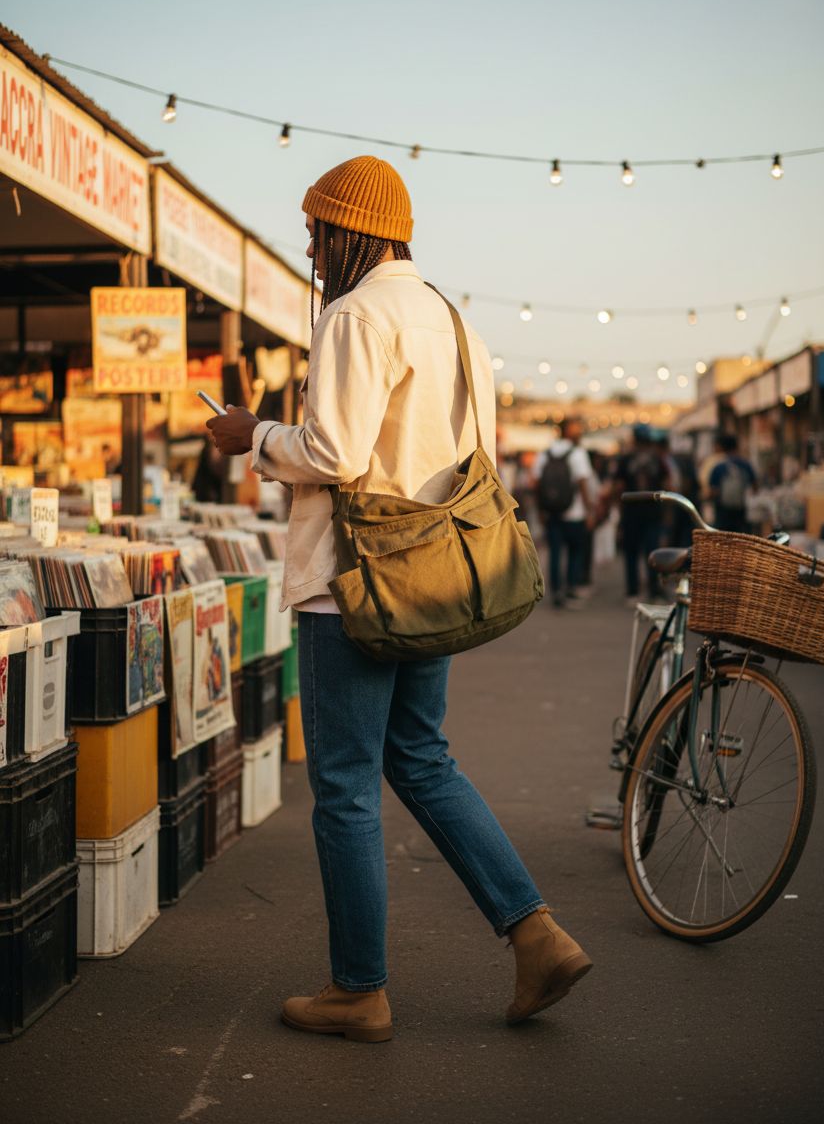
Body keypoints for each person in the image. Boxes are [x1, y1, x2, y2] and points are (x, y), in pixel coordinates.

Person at [208, 156, 591, 1043]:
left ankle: (359, 990)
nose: (308, 249)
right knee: (421, 761)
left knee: (344, 784)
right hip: (432, 579)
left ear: (351, 231)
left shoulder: (354, 315)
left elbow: (336, 454)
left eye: (315, 231)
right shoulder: (453, 322)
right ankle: (537, 934)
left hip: (352, 585)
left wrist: (252, 434)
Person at [533, 419, 596, 606]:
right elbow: (583, 482)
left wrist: (541, 508)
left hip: (552, 511)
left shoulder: (546, 453)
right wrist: (589, 510)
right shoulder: (578, 453)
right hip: (574, 512)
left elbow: (536, 482)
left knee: (555, 552)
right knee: (575, 551)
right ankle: (571, 588)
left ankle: (555, 592)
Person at [614, 426, 672, 603]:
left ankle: (632, 592)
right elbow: (669, 485)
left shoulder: (625, 459)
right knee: (653, 554)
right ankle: (654, 592)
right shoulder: (658, 459)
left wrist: (619, 511)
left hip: (631, 513)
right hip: (653, 513)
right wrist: (667, 512)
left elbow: (619, 488)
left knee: (631, 554)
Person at [708, 433, 756, 533]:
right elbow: (755, 487)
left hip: (723, 512)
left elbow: (713, 491)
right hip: (741, 511)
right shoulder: (745, 464)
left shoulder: (719, 467)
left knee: (724, 540)